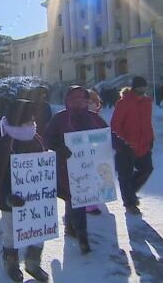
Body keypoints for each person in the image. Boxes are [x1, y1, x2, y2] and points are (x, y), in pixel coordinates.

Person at [0, 99, 49, 282]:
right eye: (27, 121)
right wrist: (8, 196)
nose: (32, 124)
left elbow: (44, 167)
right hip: (10, 200)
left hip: (35, 198)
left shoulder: (36, 139)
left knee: (39, 231)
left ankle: (33, 263)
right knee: (11, 233)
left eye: (33, 121)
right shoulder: (6, 142)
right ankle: (11, 263)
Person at [44, 86, 108, 254]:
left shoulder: (94, 118)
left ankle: (72, 228)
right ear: (68, 101)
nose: (79, 103)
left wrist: (121, 145)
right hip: (67, 169)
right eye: (75, 100)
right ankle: (82, 237)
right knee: (74, 200)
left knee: (76, 201)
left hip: (89, 169)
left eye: (82, 100)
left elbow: (107, 136)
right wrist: (59, 147)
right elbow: (47, 138)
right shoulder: (60, 118)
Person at [111, 76, 155, 215]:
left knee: (147, 169)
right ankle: (129, 203)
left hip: (143, 144)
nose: (143, 90)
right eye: (140, 87)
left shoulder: (147, 102)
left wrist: (151, 138)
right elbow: (115, 125)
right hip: (126, 146)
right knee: (125, 175)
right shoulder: (124, 103)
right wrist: (121, 142)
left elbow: (147, 123)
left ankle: (130, 192)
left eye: (144, 87)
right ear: (134, 88)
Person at [83, 90, 104, 216]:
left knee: (96, 175)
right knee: (86, 177)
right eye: (87, 102)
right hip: (82, 155)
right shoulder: (78, 117)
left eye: (92, 102)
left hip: (96, 153)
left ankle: (93, 200)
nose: (90, 105)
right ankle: (89, 205)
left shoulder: (97, 118)